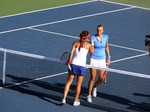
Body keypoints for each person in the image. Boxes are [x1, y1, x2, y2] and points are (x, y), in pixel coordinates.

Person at [62, 30, 94, 106]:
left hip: (73, 65)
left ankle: (64, 98)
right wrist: (92, 43)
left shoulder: (75, 43)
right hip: (81, 66)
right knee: (78, 85)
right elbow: (93, 52)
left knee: (68, 82)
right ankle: (75, 101)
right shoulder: (89, 45)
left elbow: (71, 52)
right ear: (87, 36)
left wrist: (69, 60)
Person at [87, 24, 111, 103]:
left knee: (101, 78)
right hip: (94, 59)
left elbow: (106, 47)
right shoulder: (93, 38)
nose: (99, 31)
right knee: (92, 77)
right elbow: (91, 49)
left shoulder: (106, 37)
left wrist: (109, 57)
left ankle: (95, 87)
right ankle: (89, 95)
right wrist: (91, 44)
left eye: (100, 30)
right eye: (98, 30)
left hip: (102, 60)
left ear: (103, 31)